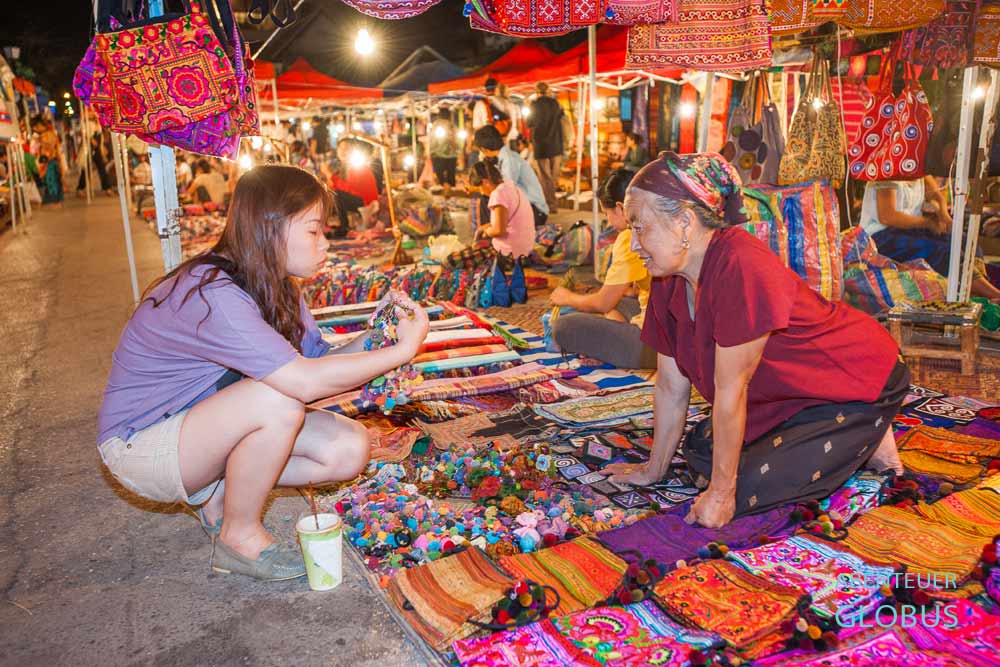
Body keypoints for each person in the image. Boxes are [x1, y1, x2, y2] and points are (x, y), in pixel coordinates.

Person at [97, 165, 430, 580]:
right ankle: (240, 537)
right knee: (278, 400)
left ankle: (218, 495)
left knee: (348, 448)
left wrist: (379, 334)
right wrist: (402, 352)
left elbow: (320, 363)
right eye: (313, 230)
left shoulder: (276, 285)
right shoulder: (215, 293)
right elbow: (304, 382)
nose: (325, 243)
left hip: (197, 432)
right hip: (141, 448)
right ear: (271, 228)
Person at [602, 152, 909, 529]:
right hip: (787, 395)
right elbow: (669, 385)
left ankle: (869, 426)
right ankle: (855, 437)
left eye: (640, 227)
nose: (633, 244)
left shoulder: (740, 264)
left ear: (684, 222)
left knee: (744, 488)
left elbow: (731, 391)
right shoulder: (668, 278)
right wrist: (653, 470)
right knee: (699, 452)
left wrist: (720, 495)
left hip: (855, 376)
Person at [550, 169, 656, 369]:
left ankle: (615, 348)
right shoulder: (664, 225)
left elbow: (603, 303)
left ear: (620, 207)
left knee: (563, 326)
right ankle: (614, 344)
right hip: (686, 336)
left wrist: (567, 297)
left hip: (661, 347)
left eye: (606, 213)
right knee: (620, 302)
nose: (607, 221)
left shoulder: (631, 236)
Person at [861, 178, 1000, 302]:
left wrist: (943, 215)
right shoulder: (886, 173)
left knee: (966, 242)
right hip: (880, 238)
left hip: (910, 230)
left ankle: (979, 291)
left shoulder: (920, 171)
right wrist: (927, 223)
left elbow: (936, 195)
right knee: (944, 251)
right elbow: (887, 217)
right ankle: (991, 293)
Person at [474, 125, 548, 226]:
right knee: (486, 198)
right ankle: (490, 232)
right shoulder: (503, 157)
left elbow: (507, 191)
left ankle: (490, 234)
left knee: (487, 199)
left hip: (536, 212)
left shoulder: (509, 160)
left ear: (484, 149)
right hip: (527, 207)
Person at [468, 159, 534, 259]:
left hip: (509, 255)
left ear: (485, 182)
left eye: (479, 188)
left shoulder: (498, 194)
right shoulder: (511, 186)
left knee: (451, 260)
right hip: (526, 250)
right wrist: (486, 228)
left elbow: (499, 231)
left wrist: (487, 232)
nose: (481, 193)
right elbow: (506, 222)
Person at [326, 139, 379, 238]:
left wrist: (330, 176)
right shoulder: (343, 166)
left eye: (347, 148)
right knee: (329, 194)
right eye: (341, 148)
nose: (343, 151)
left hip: (367, 203)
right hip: (357, 199)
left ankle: (344, 227)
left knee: (337, 195)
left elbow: (349, 189)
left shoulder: (356, 165)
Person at [526, 81, 564, 213]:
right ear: (548, 90)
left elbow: (529, 123)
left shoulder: (534, 105)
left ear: (536, 91)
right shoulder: (555, 103)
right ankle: (552, 204)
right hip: (556, 144)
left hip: (541, 145)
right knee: (553, 177)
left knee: (545, 177)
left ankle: (550, 205)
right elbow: (561, 116)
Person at [33, 116, 64, 206]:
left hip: (50, 160)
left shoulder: (46, 135)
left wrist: (40, 142)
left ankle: (54, 201)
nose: (36, 129)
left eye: (37, 127)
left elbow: (49, 147)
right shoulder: (50, 134)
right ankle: (56, 200)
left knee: (51, 180)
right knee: (54, 180)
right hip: (53, 160)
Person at [429, 109, 460, 197]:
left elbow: (432, 140)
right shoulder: (452, 125)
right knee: (451, 175)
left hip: (439, 154)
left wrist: (431, 152)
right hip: (451, 155)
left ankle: (442, 194)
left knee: (440, 176)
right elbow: (457, 140)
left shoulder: (437, 124)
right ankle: (451, 194)